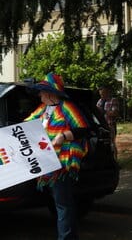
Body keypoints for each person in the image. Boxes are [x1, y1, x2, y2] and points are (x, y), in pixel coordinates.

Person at [25, 73, 90, 240]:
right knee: (62, 204)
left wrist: (63, 136)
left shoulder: (67, 107)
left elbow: (83, 129)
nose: (39, 95)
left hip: (62, 163)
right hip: (47, 163)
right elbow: (27, 125)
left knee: (63, 205)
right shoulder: (43, 109)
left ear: (50, 93)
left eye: (42, 91)